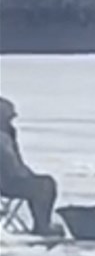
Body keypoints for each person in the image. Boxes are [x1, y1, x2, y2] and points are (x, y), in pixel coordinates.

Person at [0, 97, 60, 236]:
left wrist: (27, 174)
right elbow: (10, 165)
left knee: (44, 183)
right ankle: (42, 226)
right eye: (8, 117)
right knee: (44, 186)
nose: (11, 121)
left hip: (13, 178)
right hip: (6, 183)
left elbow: (16, 163)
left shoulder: (8, 135)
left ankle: (42, 224)